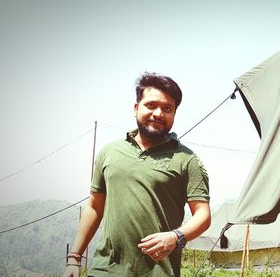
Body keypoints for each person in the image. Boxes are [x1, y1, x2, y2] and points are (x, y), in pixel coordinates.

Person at [63, 72, 211, 277]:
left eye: (167, 108)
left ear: (174, 115)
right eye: (151, 105)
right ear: (136, 108)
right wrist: (74, 258)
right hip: (104, 271)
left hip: (160, 272)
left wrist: (176, 236)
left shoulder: (187, 159)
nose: (158, 113)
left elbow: (203, 215)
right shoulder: (110, 152)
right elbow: (94, 208)